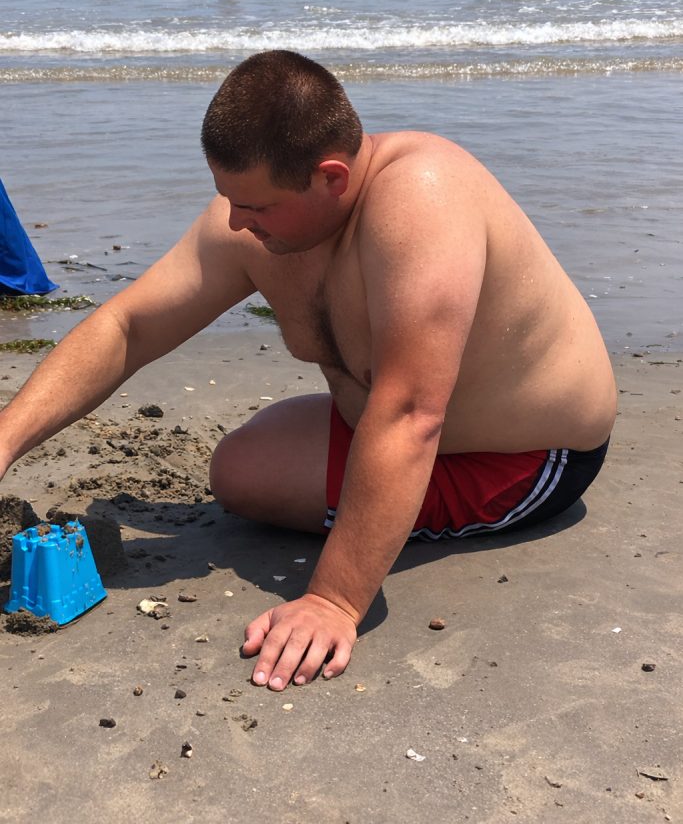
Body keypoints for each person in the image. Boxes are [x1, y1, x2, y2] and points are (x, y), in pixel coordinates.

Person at [0, 50, 616, 691]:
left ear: (331, 178)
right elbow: (128, 327)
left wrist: (334, 600)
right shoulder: (256, 225)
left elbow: (412, 413)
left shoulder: (421, 197)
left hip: (523, 457)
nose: (235, 221)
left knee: (317, 463)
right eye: (228, 198)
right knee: (241, 469)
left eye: (256, 206)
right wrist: (6, 438)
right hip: (398, 421)